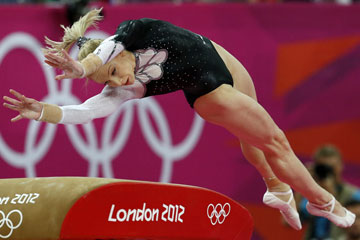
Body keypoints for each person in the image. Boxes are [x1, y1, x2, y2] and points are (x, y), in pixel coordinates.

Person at [2, 8, 356, 230]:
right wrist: (44, 112)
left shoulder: (133, 31)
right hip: (209, 93)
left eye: (113, 72)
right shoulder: (127, 88)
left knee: (254, 136)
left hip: (220, 57)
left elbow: (107, 50)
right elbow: (85, 112)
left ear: (118, 52)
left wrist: (81, 67)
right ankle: (323, 200)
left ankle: (276, 188)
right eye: (107, 82)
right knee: (274, 141)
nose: (116, 82)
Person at [299, 145, 360, 239]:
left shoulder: (354, 195)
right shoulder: (312, 195)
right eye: (324, 168)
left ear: (341, 166)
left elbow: (349, 223)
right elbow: (289, 222)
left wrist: (331, 195)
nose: (328, 172)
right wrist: (303, 183)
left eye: (331, 168)